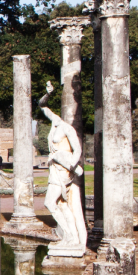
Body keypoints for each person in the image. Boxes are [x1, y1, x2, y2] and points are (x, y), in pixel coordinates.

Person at [40, 82, 86, 252]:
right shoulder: (56, 122)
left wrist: (71, 167)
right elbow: (42, 105)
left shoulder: (67, 128)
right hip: (54, 168)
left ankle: (69, 235)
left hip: (63, 170)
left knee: (50, 202)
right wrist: (48, 94)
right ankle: (71, 237)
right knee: (60, 204)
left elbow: (78, 150)